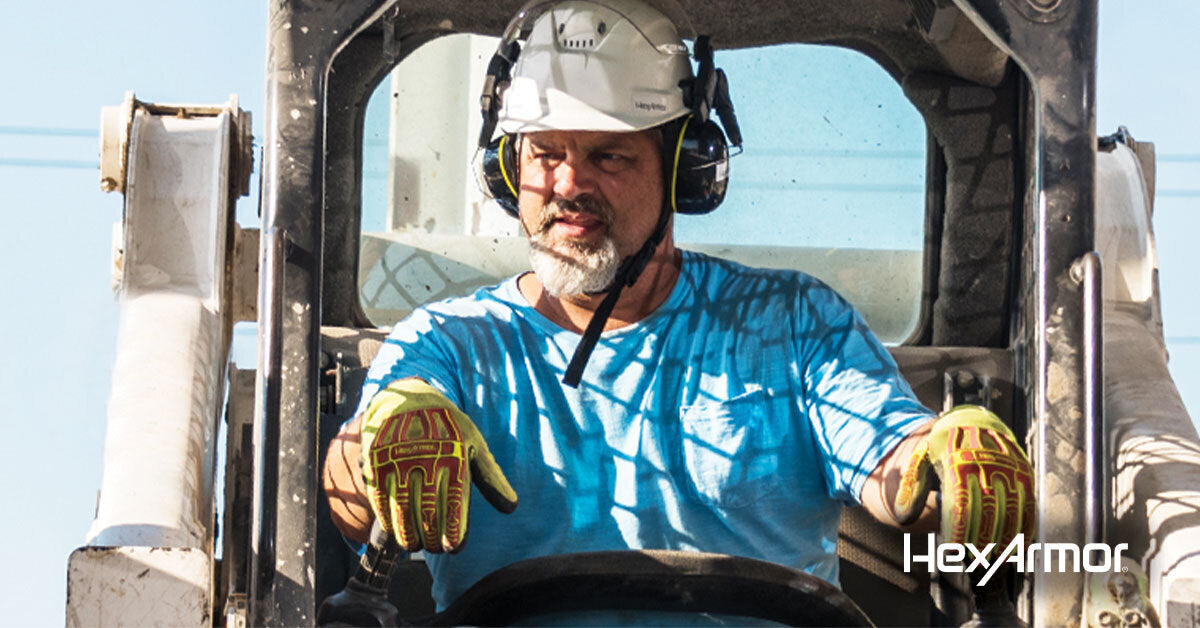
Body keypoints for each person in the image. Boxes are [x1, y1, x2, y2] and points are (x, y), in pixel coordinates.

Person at [323, 0, 1035, 611]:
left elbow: (890, 460)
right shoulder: (448, 343)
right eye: (543, 154)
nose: (568, 185)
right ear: (508, 171)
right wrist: (381, 445)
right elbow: (351, 499)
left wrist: (940, 457)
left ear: (686, 171)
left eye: (609, 156)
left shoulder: (794, 324)